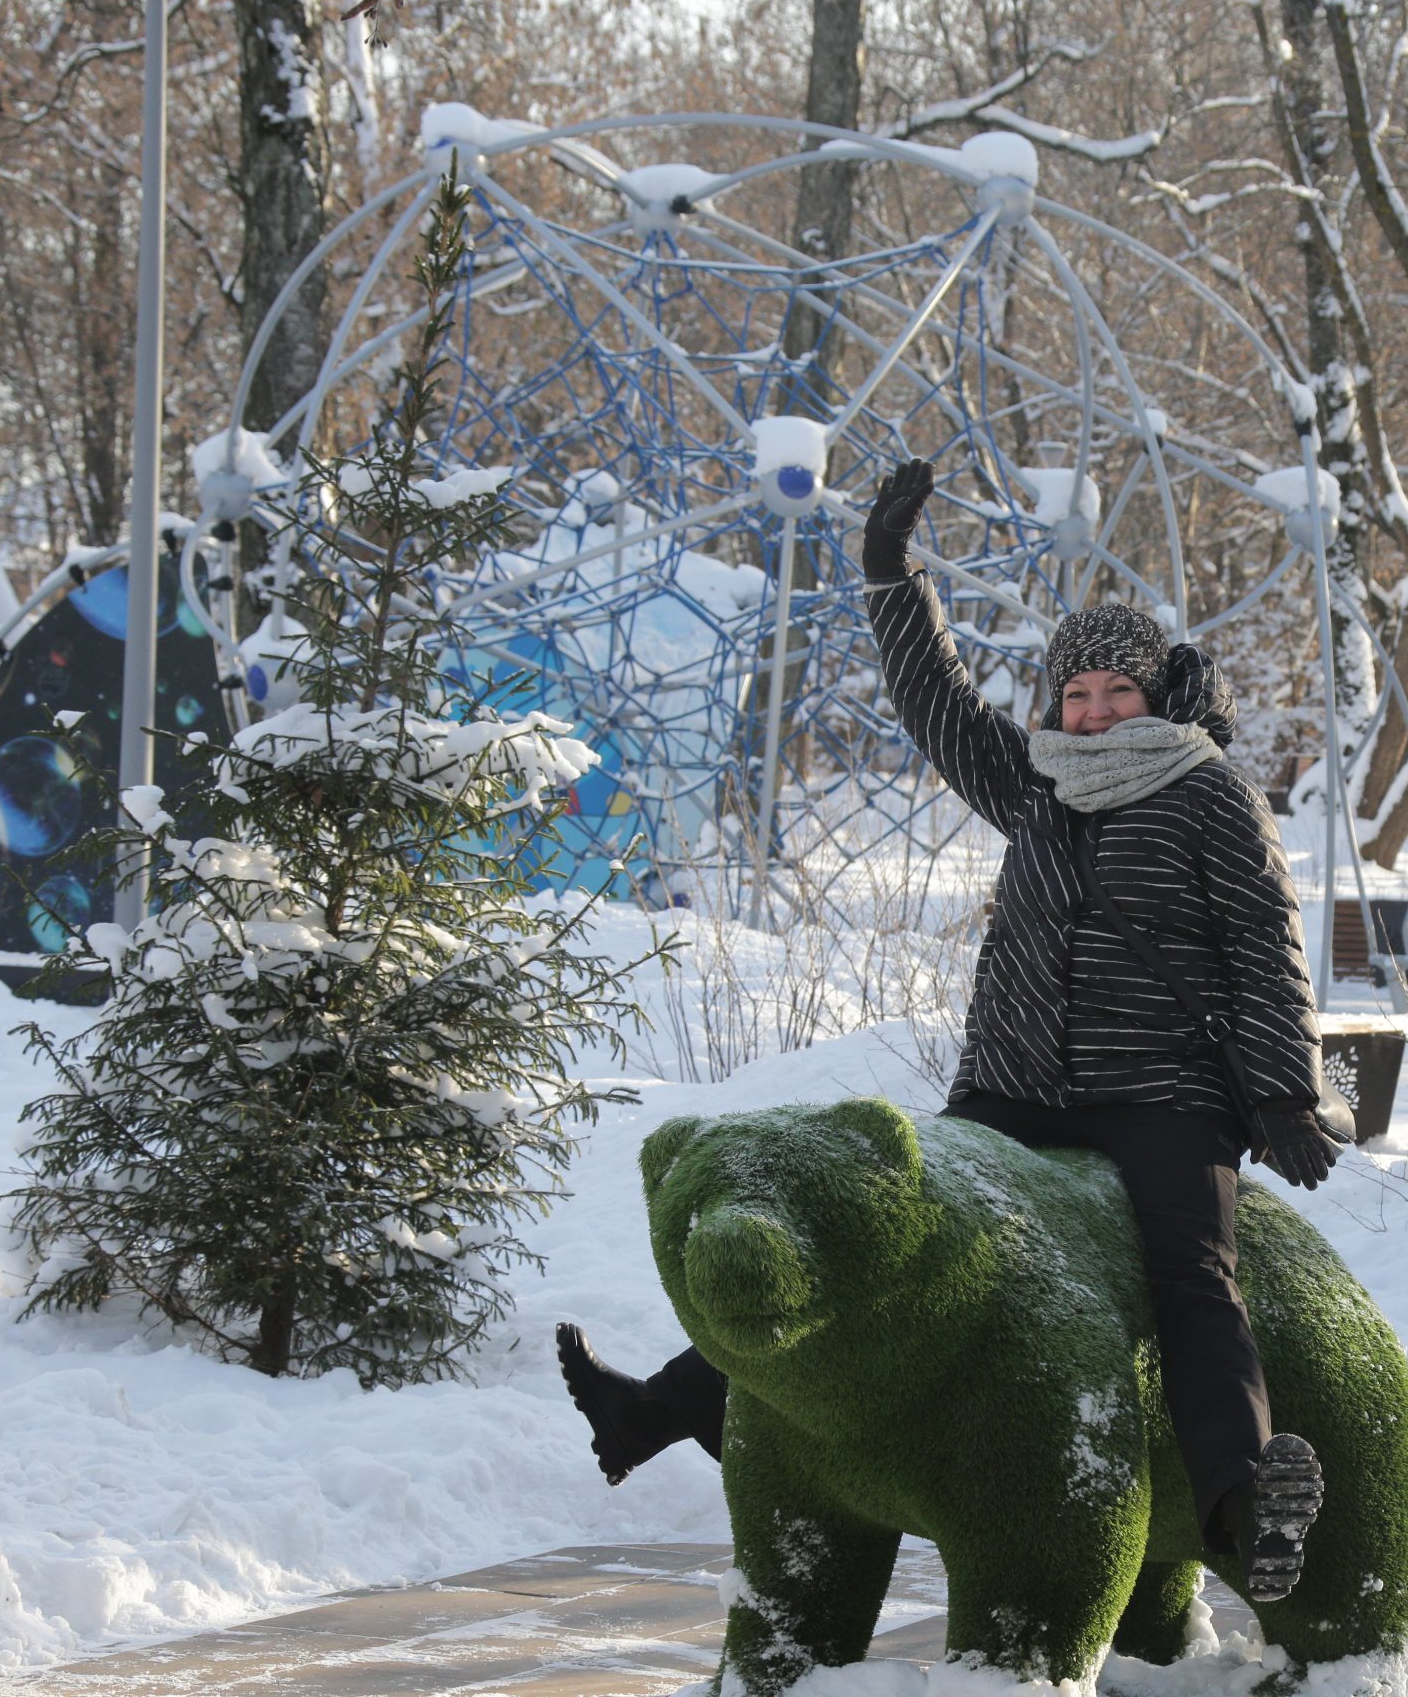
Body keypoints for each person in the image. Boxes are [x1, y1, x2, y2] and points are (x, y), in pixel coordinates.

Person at [557, 456, 1343, 1603]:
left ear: (1159, 694)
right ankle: (658, 1409)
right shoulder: (1038, 782)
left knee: (1192, 1277)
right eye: (1076, 696)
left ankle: (1240, 1509)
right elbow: (935, 700)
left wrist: (1282, 1092)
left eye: (1116, 692)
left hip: (1164, 1088)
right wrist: (889, 574)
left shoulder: (1206, 791)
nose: (1093, 712)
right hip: (1018, 1084)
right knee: (893, 1237)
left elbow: (1265, 946)